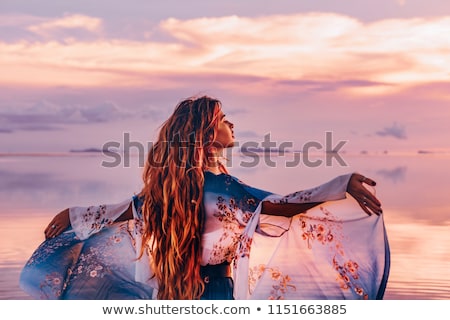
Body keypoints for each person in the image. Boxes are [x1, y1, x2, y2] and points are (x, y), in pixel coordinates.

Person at [20, 95, 390, 300]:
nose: (232, 124)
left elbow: (128, 210)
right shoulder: (220, 187)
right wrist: (341, 185)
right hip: (214, 292)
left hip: (170, 294)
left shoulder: (170, 187)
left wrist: (76, 215)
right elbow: (276, 205)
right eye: (224, 118)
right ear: (205, 132)